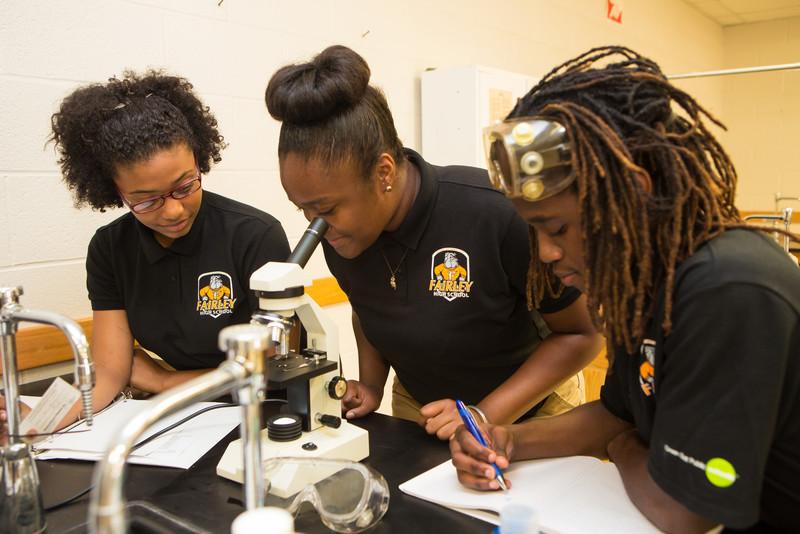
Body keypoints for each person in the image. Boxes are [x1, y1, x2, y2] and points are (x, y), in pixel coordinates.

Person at [450, 46, 800, 533]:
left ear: (633, 193)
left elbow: (684, 512)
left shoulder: (729, 289)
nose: (545, 253)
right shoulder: (645, 286)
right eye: (535, 232)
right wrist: (507, 439)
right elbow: (619, 413)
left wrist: (623, 447)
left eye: (557, 228)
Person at [264, 45, 599, 441]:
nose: (315, 224)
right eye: (302, 208)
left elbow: (582, 336)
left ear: (383, 172)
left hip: (527, 415)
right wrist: (371, 384)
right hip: (422, 410)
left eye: (326, 208)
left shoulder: (494, 213)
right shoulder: (336, 231)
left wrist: (482, 415)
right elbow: (368, 309)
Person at [1, 70, 290, 429]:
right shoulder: (110, 249)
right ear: (115, 191)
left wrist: (165, 381)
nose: (173, 211)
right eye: (147, 200)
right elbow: (109, 374)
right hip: (185, 417)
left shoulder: (254, 235)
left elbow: (273, 366)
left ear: (199, 160)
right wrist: (34, 424)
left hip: (266, 411)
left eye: (185, 186)